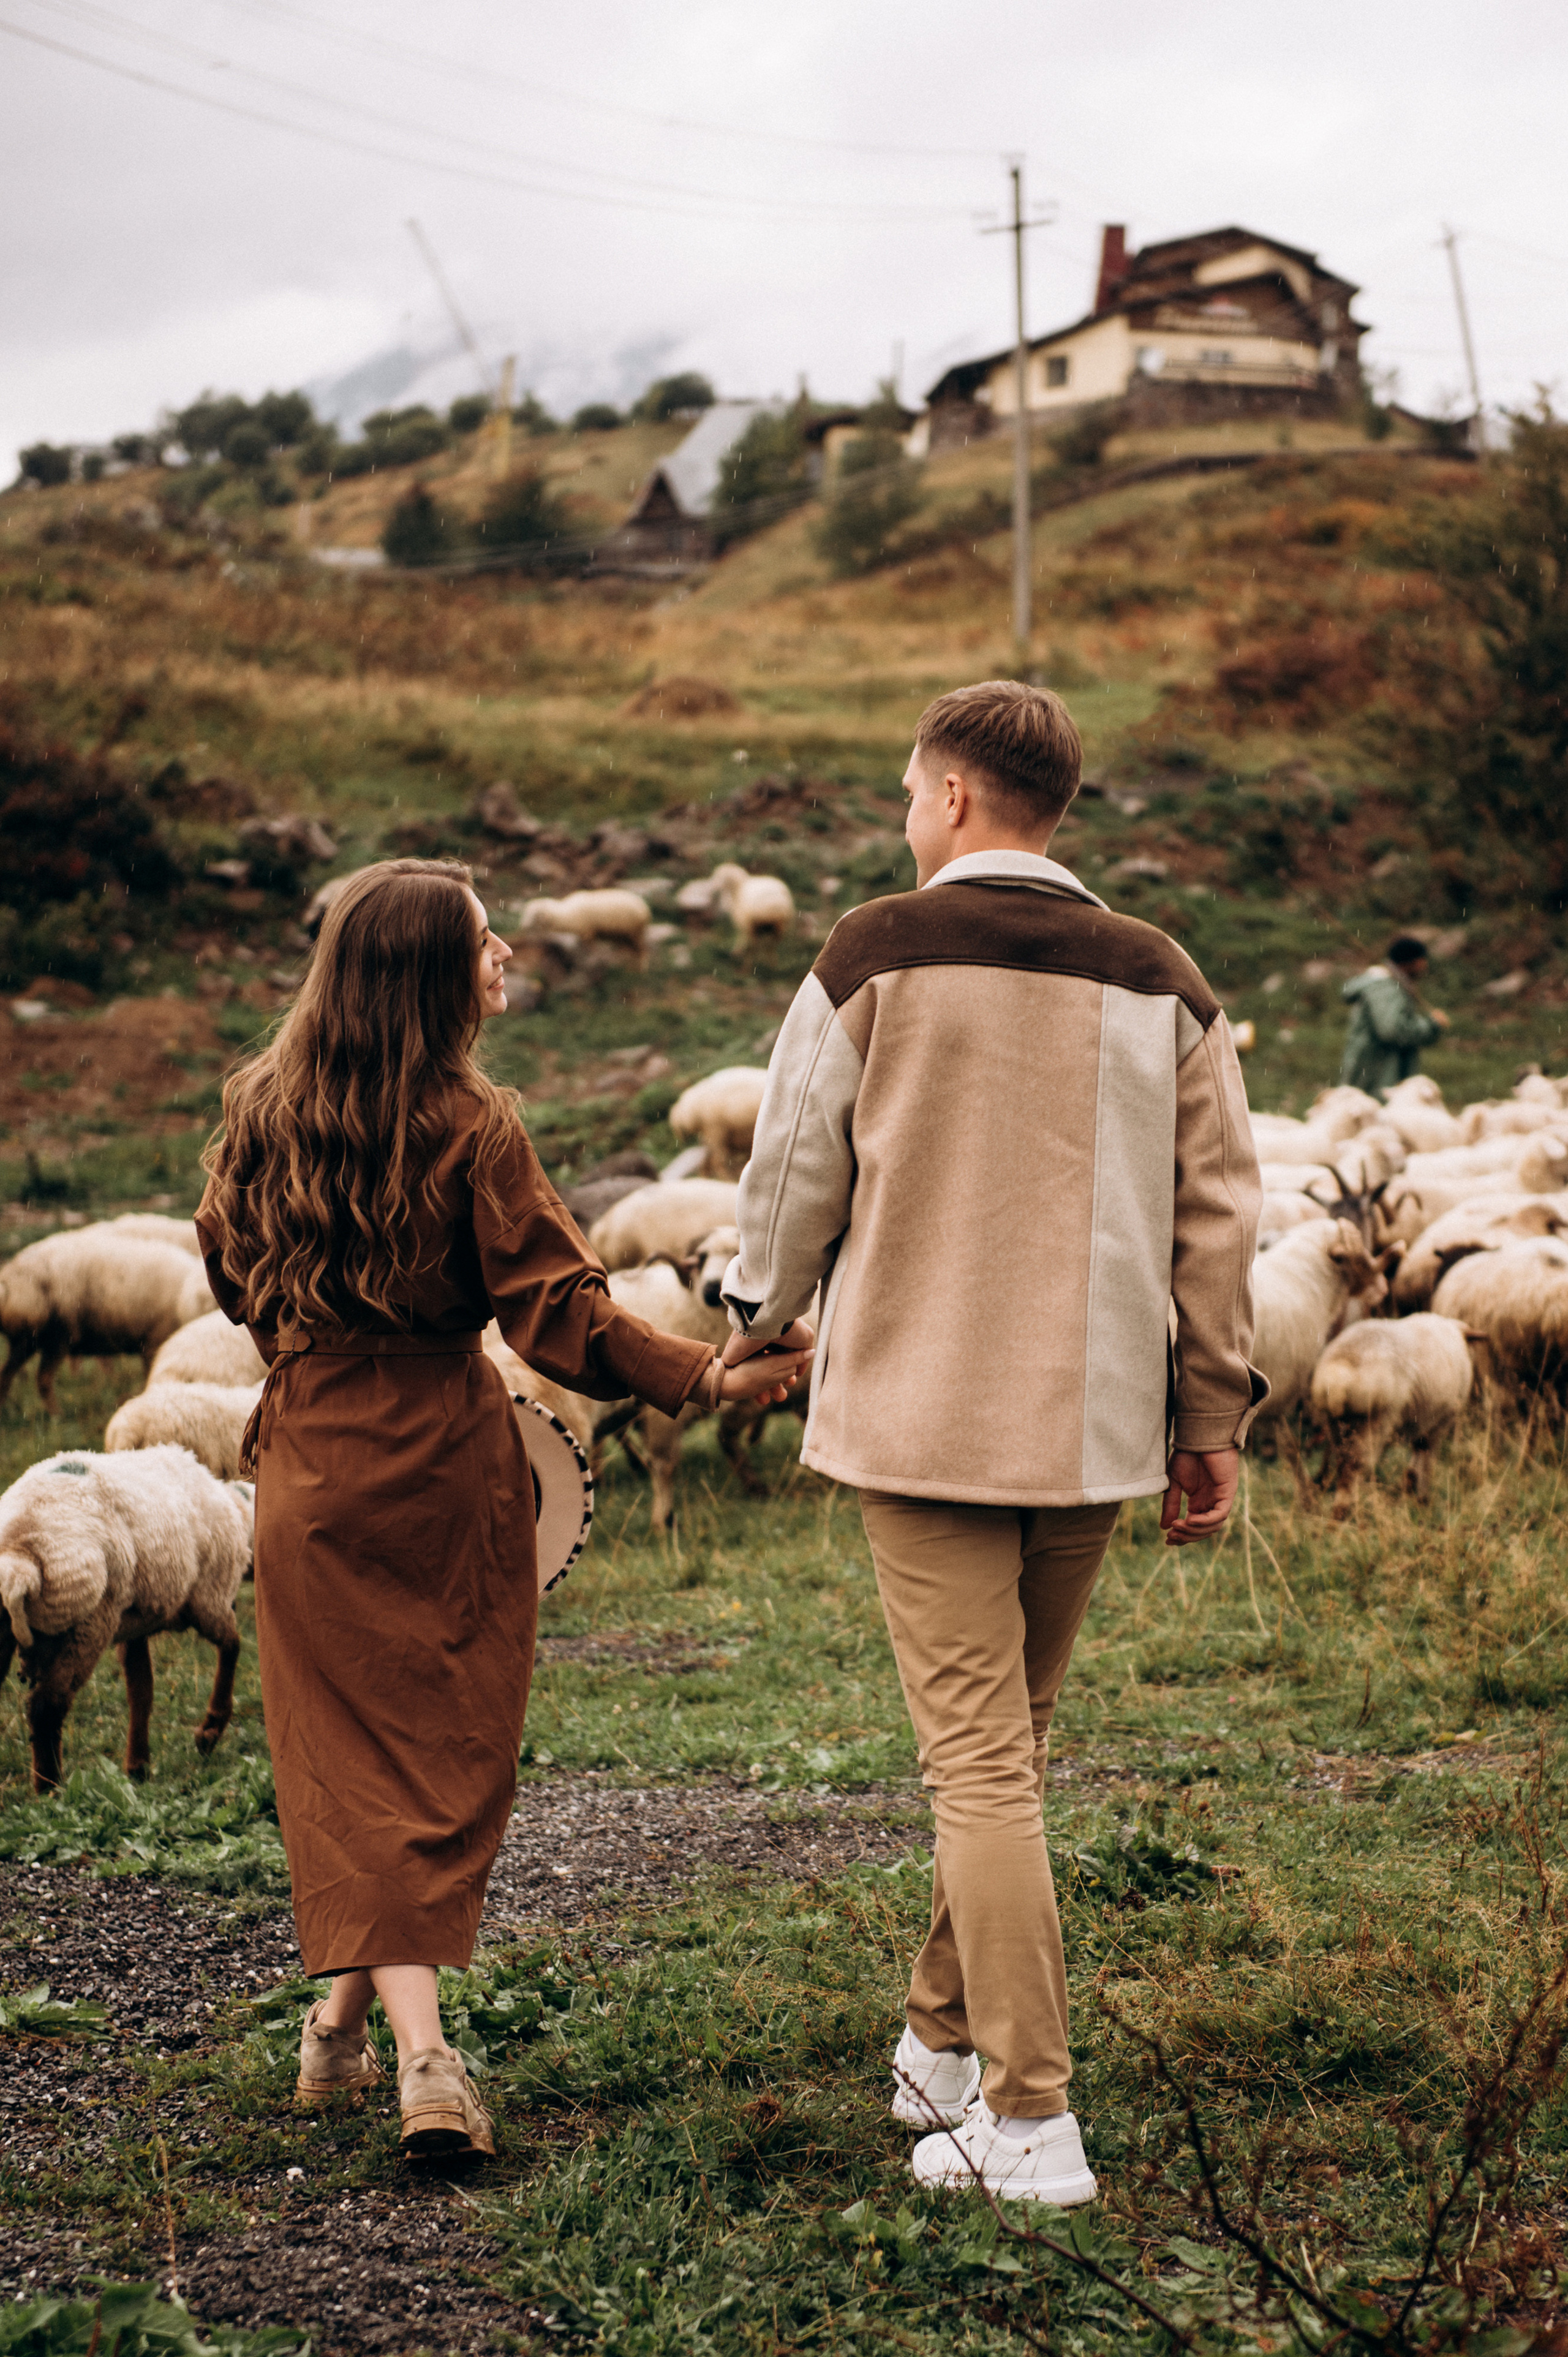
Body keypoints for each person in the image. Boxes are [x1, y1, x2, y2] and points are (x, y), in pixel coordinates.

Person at [715, 681, 1265, 2204]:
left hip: (922, 1409)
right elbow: (1219, 1215)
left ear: (952, 794)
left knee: (976, 1760)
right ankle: (937, 2044)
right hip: (1091, 1420)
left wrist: (756, 1316)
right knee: (1005, 1745)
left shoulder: (871, 951)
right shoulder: (1162, 976)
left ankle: (1030, 2120)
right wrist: (1209, 1414)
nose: (907, 816)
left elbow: (790, 1168)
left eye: (910, 791)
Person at [195, 860, 811, 2160]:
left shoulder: (259, 1112)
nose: (507, 956)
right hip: (444, 1458)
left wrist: (311, 1355)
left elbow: (227, 1263)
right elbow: (560, 1311)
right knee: (437, 1754)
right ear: (428, 969)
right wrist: (701, 1374)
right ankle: (429, 2064)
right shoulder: (475, 1125)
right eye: (485, 942)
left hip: (312, 1463)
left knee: (353, 1758)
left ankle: (337, 2029)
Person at [1339, 936, 1449, 1094]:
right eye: (1423, 960)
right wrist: (1432, 1025)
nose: (1425, 966)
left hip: (1374, 1071)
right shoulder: (1387, 988)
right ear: (1413, 962)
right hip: (1377, 1074)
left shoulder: (1389, 985)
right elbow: (1391, 1030)